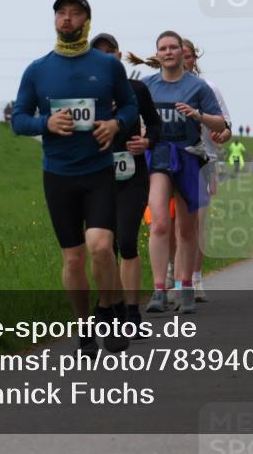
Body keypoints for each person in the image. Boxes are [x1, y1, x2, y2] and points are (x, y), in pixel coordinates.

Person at [11, 0, 138, 354]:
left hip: (98, 170)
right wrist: (45, 123)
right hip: (58, 175)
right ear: (54, 20)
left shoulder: (107, 66)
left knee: (100, 247)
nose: (66, 19)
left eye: (74, 13)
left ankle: (107, 310)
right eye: (61, 13)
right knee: (73, 258)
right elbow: (18, 120)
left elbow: (129, 107)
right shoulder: (37, 70)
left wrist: (115, 125)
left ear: (86, 21)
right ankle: (84, 329)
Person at [139, 31, 225, 315]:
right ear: (157, 54)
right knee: (160, 224)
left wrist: (197, 116)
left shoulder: (198, 87)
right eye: (162, 48)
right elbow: (135, 118)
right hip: (159, 156)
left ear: (181, 52)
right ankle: (159, 290)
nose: (168, 52)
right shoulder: (147, 85)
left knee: (186, 228)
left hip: (189, 156)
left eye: (173, 47)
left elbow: (220, 121)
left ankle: (186, 286)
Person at [90, 33, 162, 338]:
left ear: (119, 56)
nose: (107, 59)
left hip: (132, 176)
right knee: (104, 248)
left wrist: (146, 141)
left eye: (111, 53)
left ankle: (132, 314)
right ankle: (110, 307)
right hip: (96, 178)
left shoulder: (136, 89)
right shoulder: (85, 94)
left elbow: (156, 125)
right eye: (100, 54)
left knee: (128, 242)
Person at [180, 38, 232, 303]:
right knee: (167, 225)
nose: (183, 61)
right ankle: (171, 277)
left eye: (187, 56)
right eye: (179, 55)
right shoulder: (161, 88)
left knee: (198, 222)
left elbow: (227, 126)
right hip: (170, 163)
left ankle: (196, 276)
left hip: (204, 161)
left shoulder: (208, 88)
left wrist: (222, 135)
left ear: (194, 59)